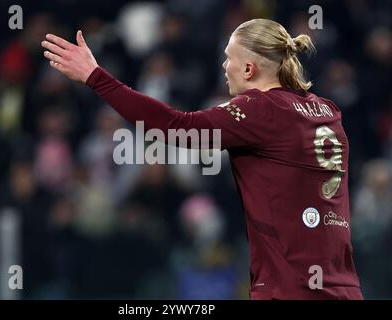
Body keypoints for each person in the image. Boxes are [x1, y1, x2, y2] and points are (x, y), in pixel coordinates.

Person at [41, 18, 363, 299]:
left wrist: (96, 77)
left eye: (228, 58)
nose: (224, 67)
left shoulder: (261, 109)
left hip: (290, 290)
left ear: (249, 68)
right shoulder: (327, 111)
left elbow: (176, 126)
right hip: (344, 288)